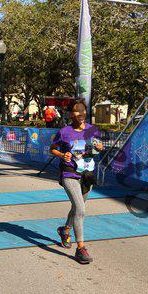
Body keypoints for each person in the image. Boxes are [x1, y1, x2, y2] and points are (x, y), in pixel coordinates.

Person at [50, 101, 104, 264]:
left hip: (87, 174)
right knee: (80, 209)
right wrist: (62, 155)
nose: (80, 114)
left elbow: (99, 146)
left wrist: (99, 147)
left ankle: (65, 230)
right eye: (76, 111)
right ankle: (81, 249)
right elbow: (52, 148)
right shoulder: (64, 132)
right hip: (69, 173)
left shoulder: (92, 129)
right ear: (70, 114)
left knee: (76, 207)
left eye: (82, 111)